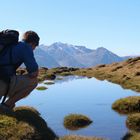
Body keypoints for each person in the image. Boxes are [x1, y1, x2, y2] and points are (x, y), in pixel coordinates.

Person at [0, 30, 40, 110]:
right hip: (2, 83)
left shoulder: (11, 46)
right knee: (33, 82)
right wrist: (26, 75)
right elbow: (34, 73)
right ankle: (6, 105)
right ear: (33, 43)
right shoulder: (26, 47)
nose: (34, 49)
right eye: (35, 47)